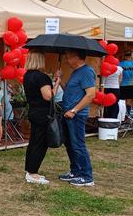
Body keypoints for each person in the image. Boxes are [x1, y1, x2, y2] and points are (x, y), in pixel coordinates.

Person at [59, 49, 96, 187]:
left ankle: (87, 176)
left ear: (76, 58)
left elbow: (90, 95)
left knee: (78, 145)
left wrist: (74, 110)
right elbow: (69, 90)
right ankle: (75, 171)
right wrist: (60, 80)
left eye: (68, 58)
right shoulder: (76, 72)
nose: (66, 61)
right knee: (70, 144)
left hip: (76, 115)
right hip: (69, 114)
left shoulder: (86, 71)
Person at [23, 52, 60, 185]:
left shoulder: (27, 76)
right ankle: (33, 172)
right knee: (40, 143)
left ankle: (29, 169)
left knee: (34, 141)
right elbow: (48, 96)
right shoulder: (42, 77)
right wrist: (57, 83)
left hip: (33, 111)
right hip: (43, 114)